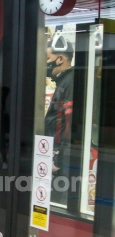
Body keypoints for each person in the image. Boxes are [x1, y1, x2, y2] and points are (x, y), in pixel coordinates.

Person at [44, 34, 74, 205]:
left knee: (58, 200)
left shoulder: (69, 83)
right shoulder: (64, 81)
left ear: (60, 59)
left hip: (60, 155)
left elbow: (69, 122)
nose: (46, 64)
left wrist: (60, 157)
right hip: (56, 151)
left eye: (48, 58)